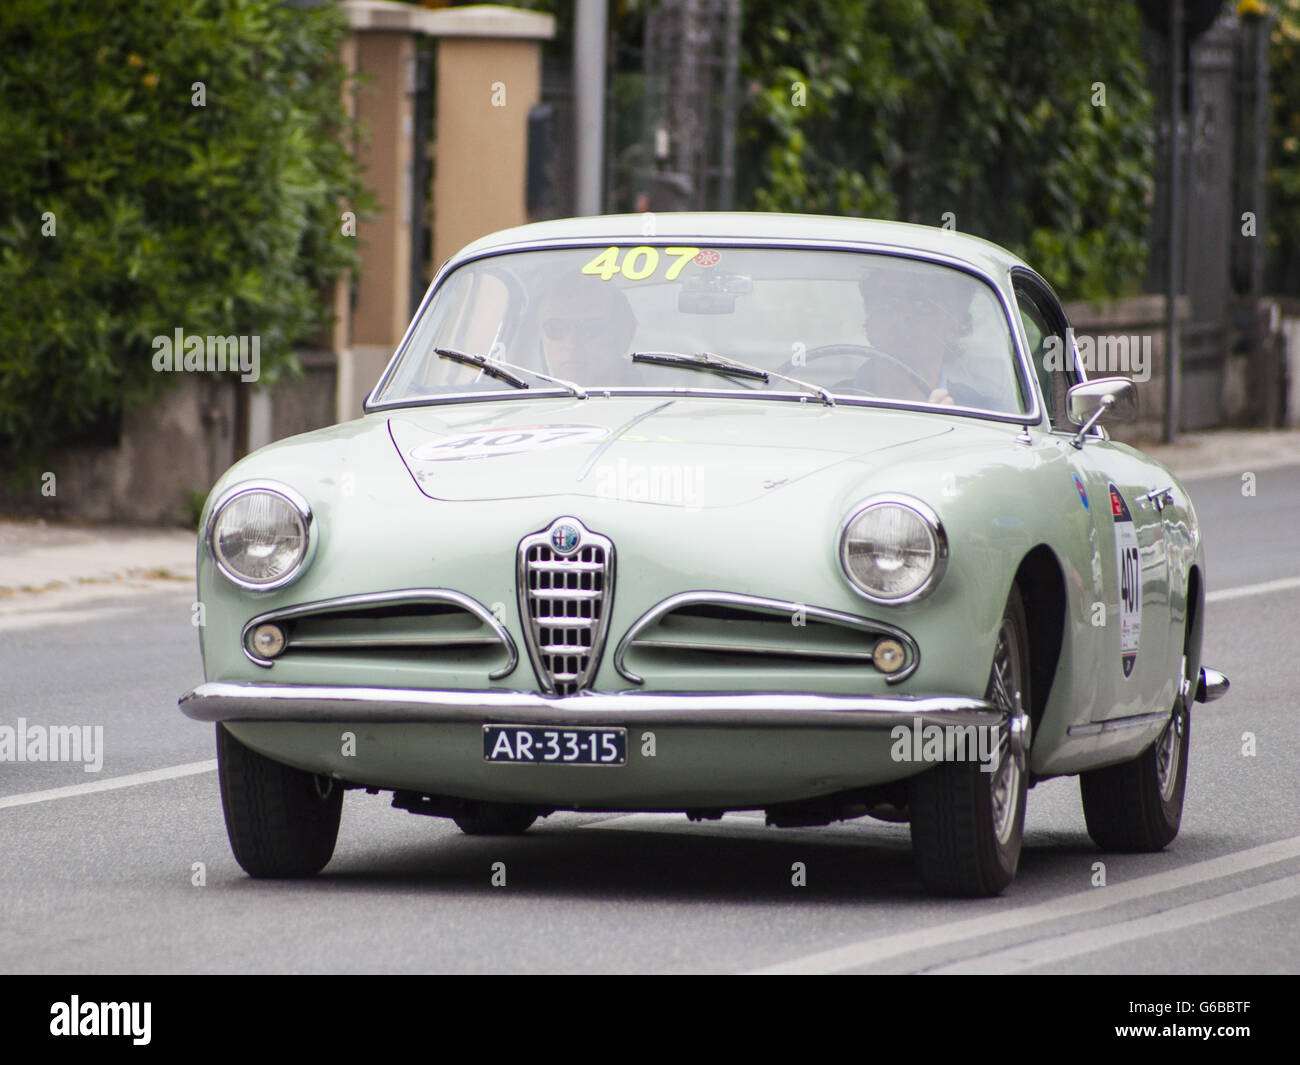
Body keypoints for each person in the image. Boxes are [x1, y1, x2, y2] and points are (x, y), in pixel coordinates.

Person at [855, 265, 980, 406]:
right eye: (888, 303)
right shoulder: (830, 404)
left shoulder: (984, 415)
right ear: (871, 320)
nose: (902, 316)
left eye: (921, 304)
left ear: (955, 324)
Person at [533, 274, 639, 384]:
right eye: (555, 329)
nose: (571, 343)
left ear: (624, 335)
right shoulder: (523, 394)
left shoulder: (655, 390)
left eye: (590, 328)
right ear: (541, 337)